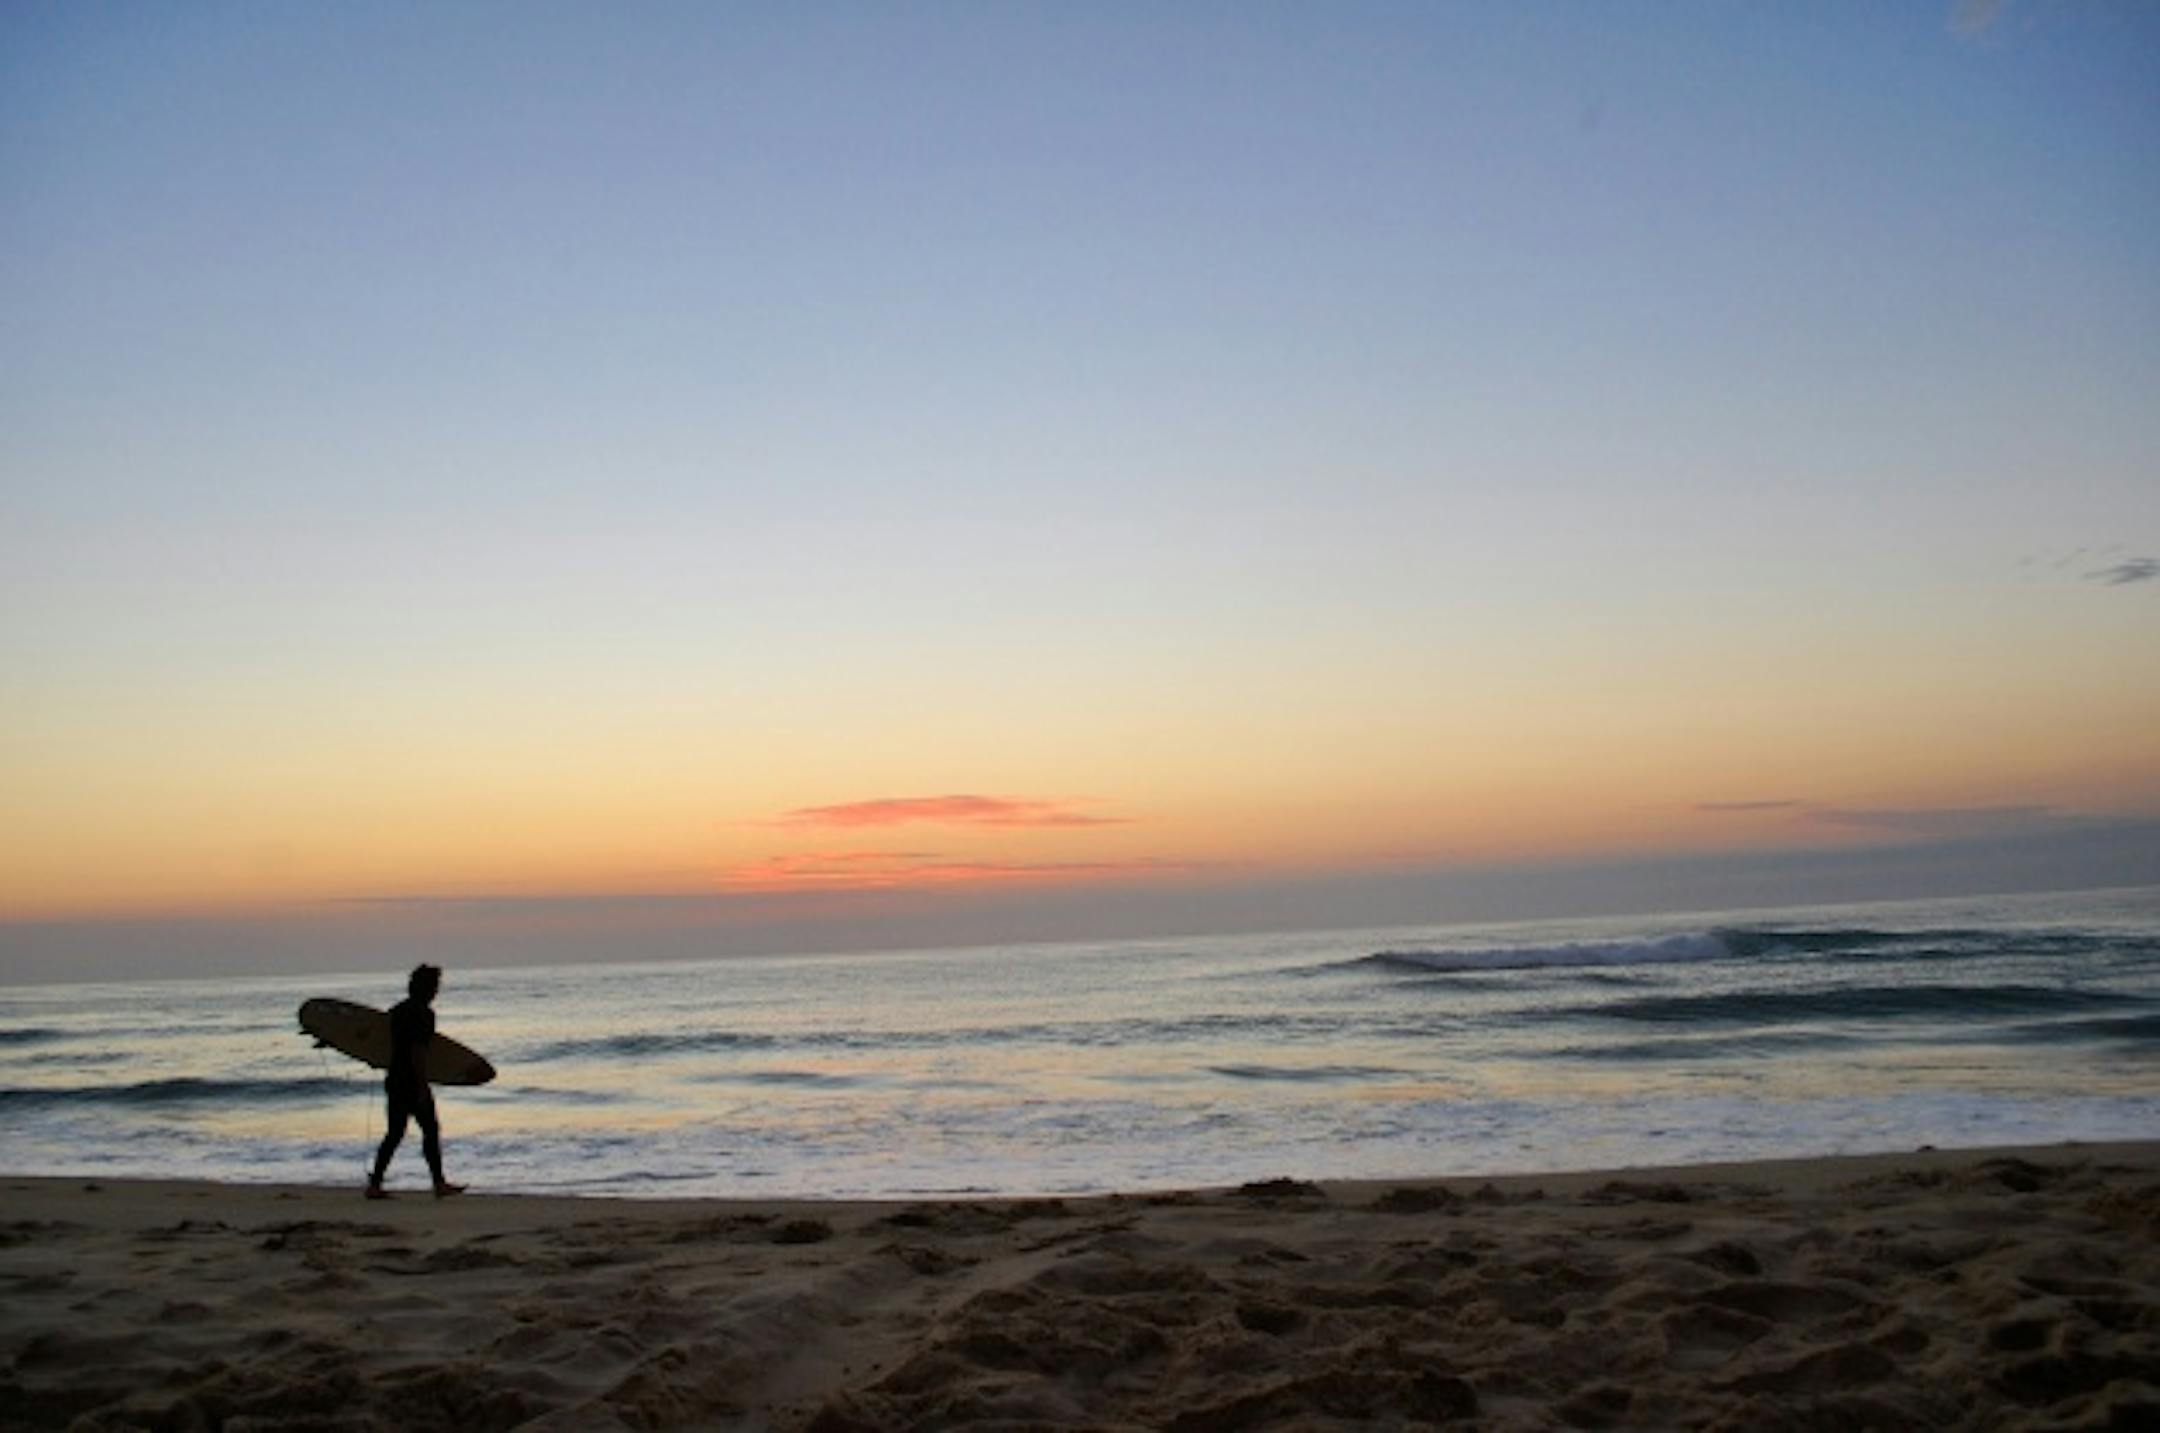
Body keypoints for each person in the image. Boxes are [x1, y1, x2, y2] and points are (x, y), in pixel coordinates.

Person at [366, 963, 465, 1199]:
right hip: (411, 1080)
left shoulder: (397, 1011)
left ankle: (375, 1184)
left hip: (395, 1077)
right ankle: (439, 1184)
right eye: (435, 986)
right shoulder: (424, 1014)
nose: (437, 991)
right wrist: (421, 1085)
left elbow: (380, 1044)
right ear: (427, 988)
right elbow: (417, 1051)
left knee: (395, 1133)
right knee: (430, 1130)